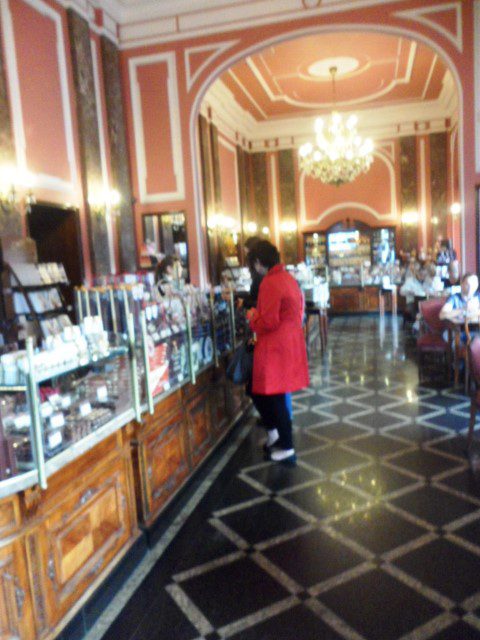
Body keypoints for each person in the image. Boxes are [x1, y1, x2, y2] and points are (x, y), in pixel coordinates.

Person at [246, 240, 309, 465]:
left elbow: (269, 321)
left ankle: (287, 447)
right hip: (288, 342)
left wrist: (252, 316)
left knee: (276, 396)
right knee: (268, 393)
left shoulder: (270, 282)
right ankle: (278, 436)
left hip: (276, 346)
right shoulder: (287, 278)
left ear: (258, 262)